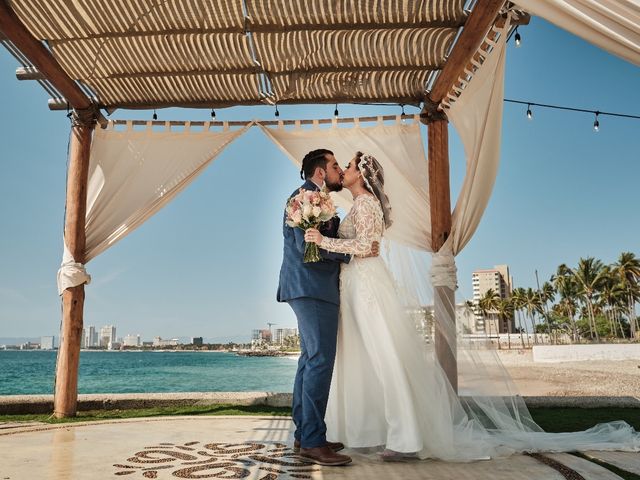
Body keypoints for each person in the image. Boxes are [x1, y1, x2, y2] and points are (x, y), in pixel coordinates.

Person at [305, 152, 640, 461]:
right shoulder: (357, 206)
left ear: (361, 176)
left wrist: (323, 241)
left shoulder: (366, 205)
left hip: (367, 287)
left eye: (347, 165)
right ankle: (369, 430)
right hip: (354, 286)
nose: (344, 170)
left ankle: (405, 438)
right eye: (341, 166)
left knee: (384, 358)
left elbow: (369, 247)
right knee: (367, 359)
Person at [277, 148, 379, 466]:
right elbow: (307, 247)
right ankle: (312, 441)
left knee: (310, 360)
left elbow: (318, 241)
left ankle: (304, 434)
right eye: (335, 165)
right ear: (321, 172)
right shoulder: (305, 197)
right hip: (312, 288)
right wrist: (349, 253)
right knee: (320, 361)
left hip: (311, 289)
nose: (338, 170)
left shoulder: (317, 198)